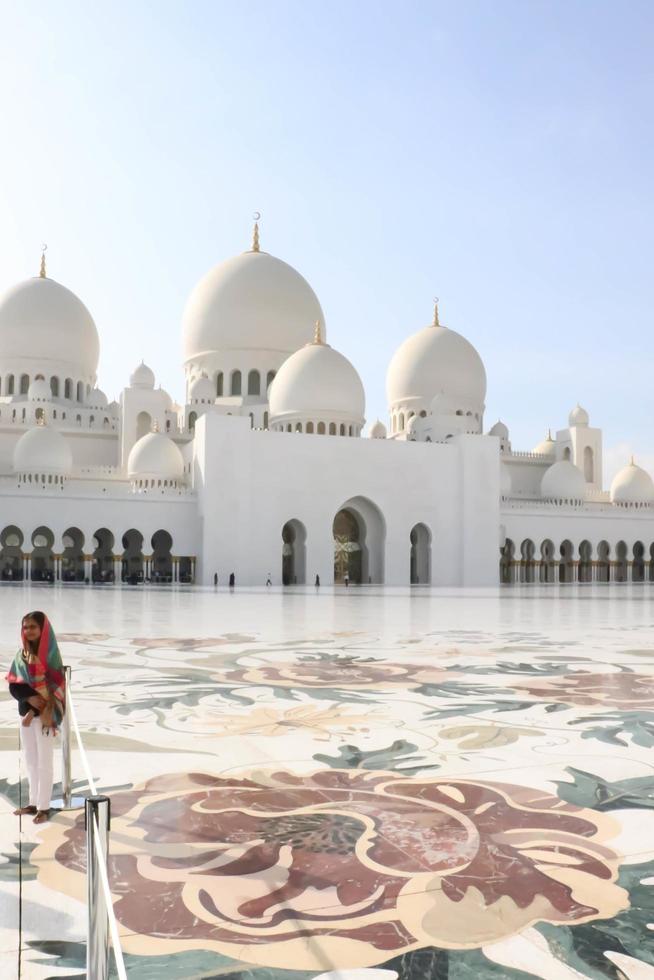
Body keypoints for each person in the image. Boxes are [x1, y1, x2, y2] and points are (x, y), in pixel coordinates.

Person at [6, 611, 65, 824]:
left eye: (33, 627)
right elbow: (14, 685)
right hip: (26, 715)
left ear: (43, 629)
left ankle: (44, 806)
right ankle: (32, 803)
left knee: (44, 762)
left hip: (45, 716)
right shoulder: (21, 655)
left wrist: (36, 711)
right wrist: (29, 701)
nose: (28, 631)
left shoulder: (51, 656)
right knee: (30, 760)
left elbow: (55, 688)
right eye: (25, 627)